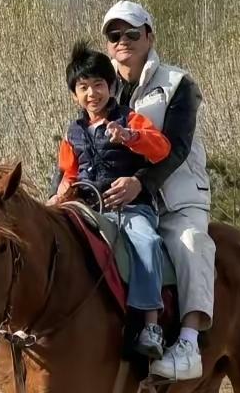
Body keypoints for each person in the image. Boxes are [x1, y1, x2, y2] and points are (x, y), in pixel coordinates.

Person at [100, 0, 214, 382]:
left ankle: (188, 342)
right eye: (114, 35)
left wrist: (141, 183)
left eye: (132, 33)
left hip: (176, 199)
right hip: (118, 202)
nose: (122, 42)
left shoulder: (179, 83)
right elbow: (78, 140)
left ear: (149, 36)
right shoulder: (100, 87)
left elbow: (177, 146)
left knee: (191, 243)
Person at [54, 42, 171, 361]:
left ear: (111, 86)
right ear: (74, 94)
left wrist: (131, 138)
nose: (92, 93)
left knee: (146, 243)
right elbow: (68, 173)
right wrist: (57, 197)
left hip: (130, 208)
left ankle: (150, 326)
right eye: (83, 87)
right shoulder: (71, 133)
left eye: (98, 85)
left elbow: (161, 148)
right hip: (88, 209)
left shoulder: (129, 118)